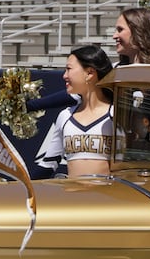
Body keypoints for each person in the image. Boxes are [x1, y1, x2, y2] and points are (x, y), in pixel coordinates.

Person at [34, 45, 116, 177]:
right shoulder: (65, 116)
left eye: (69, 69)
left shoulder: (115, 115)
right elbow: (48, 164)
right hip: (73, 196)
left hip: (108, 196)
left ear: (90, 73)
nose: (64, 76)